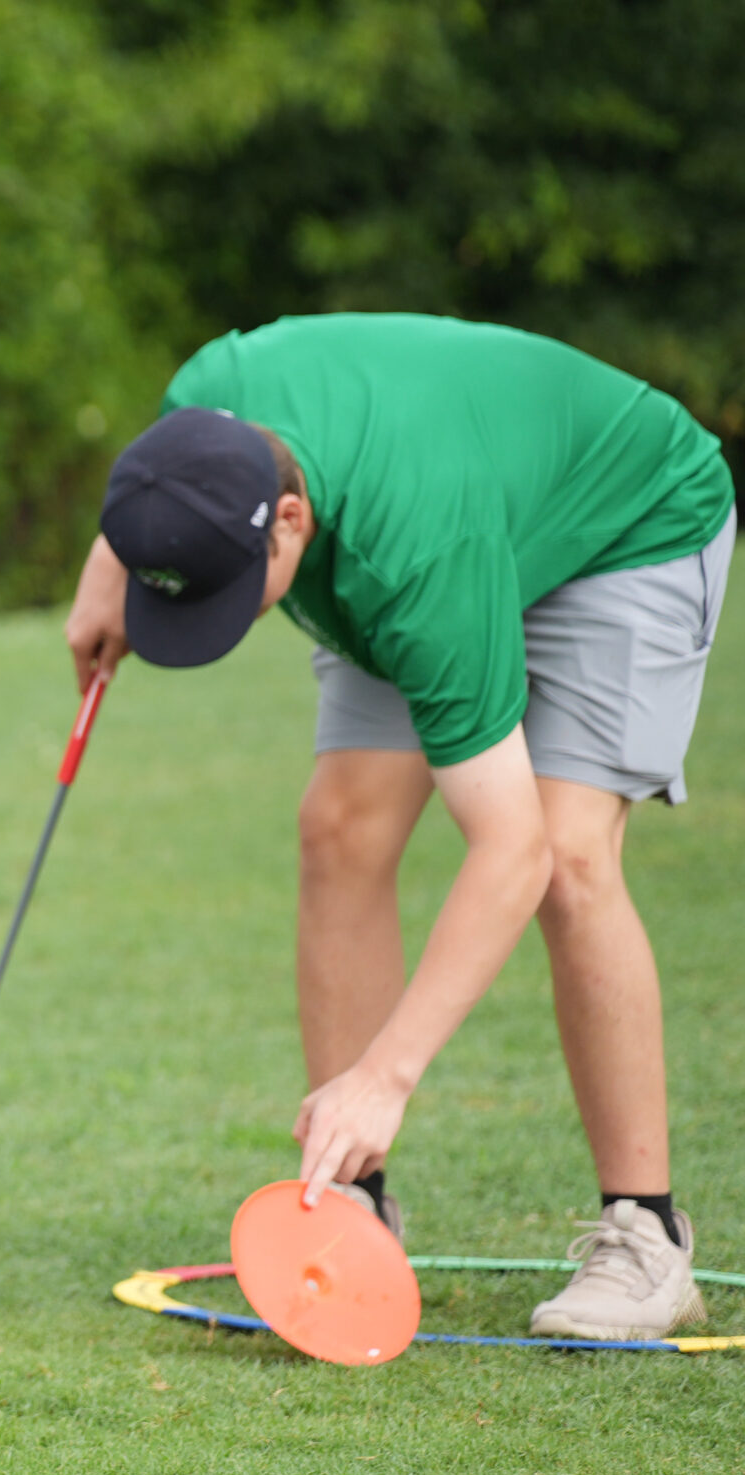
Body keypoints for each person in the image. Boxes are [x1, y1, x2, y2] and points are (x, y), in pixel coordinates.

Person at [65, 312, 734, 1340]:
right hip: (434, 504)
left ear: (287, 518)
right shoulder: (207, 400)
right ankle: (353, 1203)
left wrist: (388, 1074)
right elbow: (153, 486)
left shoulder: (417, 561)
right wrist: (113, 575)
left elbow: (503, 851)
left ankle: (644, 1238)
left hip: (623, 520)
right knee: (339, 828)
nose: (223, 619)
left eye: (227, 596)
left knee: (562, 855)